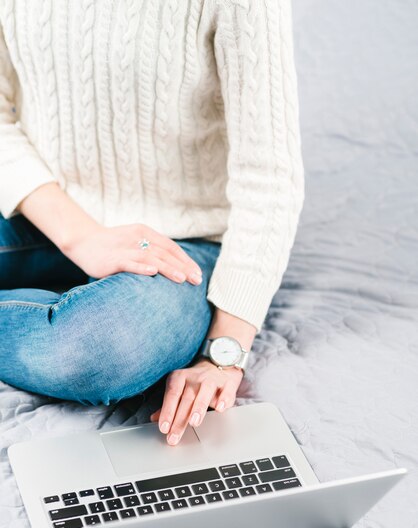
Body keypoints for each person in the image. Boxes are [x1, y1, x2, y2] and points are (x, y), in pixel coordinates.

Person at [0, 0, 304, 445]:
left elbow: (270, 175)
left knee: (99, 349)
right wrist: (82, 236)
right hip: (44, 208)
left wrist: (224, 356)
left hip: (182, 242)